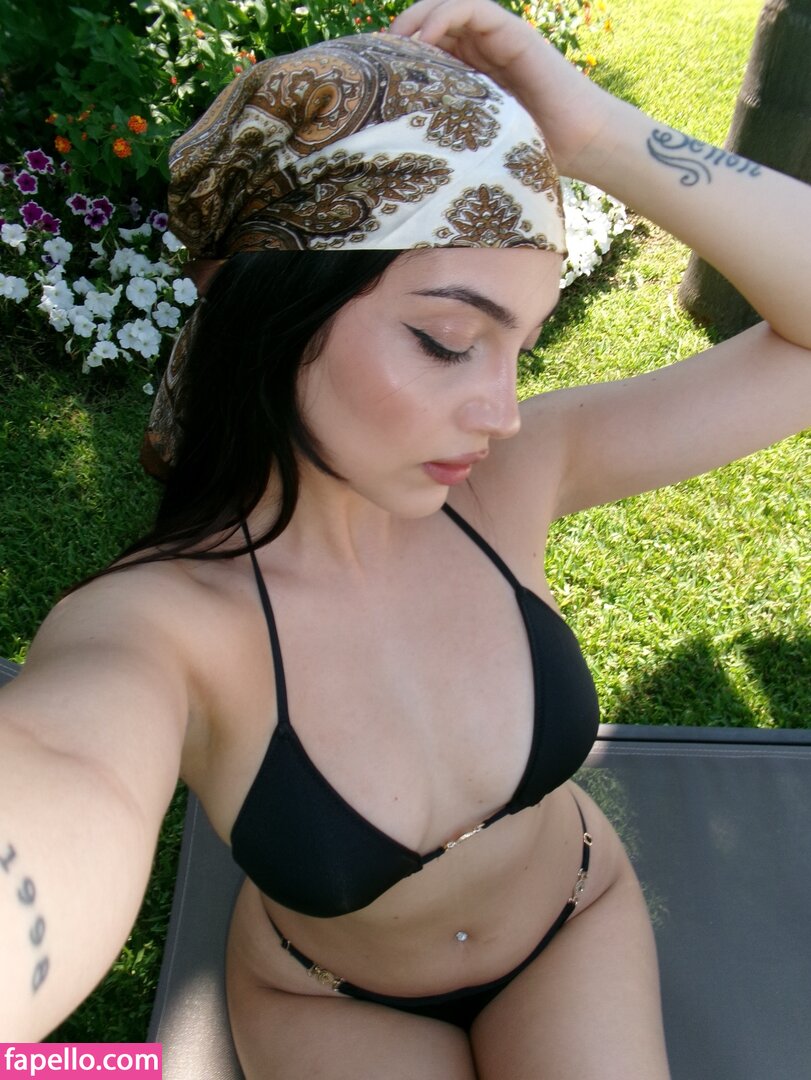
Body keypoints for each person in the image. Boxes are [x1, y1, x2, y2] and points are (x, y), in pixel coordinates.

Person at [1, 1, 809, 1075]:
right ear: (273, 313)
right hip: (329, 997)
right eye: (447, 339)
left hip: (574, 918)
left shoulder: (516, 479)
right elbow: (60, 771)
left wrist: (595, 133)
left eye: (520, 348)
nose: (503, 413)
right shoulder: (155, 632)